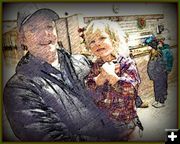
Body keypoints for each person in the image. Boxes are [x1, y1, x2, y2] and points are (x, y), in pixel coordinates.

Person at [3, 8, 132, 141]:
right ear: (22, 38)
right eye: (34, 29)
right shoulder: (19, 88)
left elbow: (118, 95)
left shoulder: (82, 62)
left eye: (49, 26)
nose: (45, 34)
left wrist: (131, 123)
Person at [83, 20, 144, 140]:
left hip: (126, 123)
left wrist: (112, 77)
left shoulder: (126, 63)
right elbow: (88, 92)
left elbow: (132, 92)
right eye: (92, 41)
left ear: (114, 40)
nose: (97, 44)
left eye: (102, 38)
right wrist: (98, 79)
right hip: (105, 126)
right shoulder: (94, 67)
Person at [146, 37, 173, 108]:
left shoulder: (155, 55)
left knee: (159, 88)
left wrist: (153, 76)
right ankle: (157, 100)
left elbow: (152, 67)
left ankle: (161, 102)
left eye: (148, 46)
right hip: (159, 75)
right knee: (158, 88)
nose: (147, 47)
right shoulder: (157, 53)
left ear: (152, 47)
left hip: (159, 75)